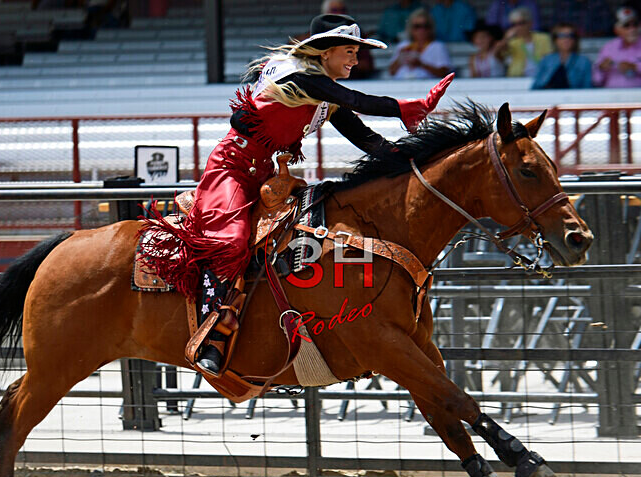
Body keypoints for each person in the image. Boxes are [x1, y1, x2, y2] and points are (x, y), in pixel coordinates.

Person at [140, 14, 454, 376]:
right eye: (348, 51)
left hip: (265, 175)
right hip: (230, 169)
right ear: (324, 52)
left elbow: (366, 138)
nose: (355, 59)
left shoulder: (324, 93)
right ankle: (214, 333)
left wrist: (414, 162)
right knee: (232, 241)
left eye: (355, 52)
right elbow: (357, 99)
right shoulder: (299, 76)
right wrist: (406, 108)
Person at [592, 7, 641, 89]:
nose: (632, 29)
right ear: (616, 30)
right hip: (613, 98)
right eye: (626, 25)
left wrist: (637, 67)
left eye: (635, 24)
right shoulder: (609, 47)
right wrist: (601, 68)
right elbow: (596, 81)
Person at [389, 9, 452, 79]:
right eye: (417, 26)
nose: (421, 30)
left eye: (425, 26)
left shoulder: (438, 46)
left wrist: (421, 64)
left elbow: (444, 74)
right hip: (401, 84)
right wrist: (400, 59)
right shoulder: (403, 45)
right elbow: (391, 71)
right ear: (411, 28)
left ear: (431, 28)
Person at [495, 7, 552, 78]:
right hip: (518, 79)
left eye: (521, 23)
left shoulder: (543, 38)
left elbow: (550, 60)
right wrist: (506, 38)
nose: (517, 27)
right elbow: (497, 54)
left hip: (541, 78)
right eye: (514, 24)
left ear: (530, 23)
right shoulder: (512, 42)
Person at [532, 23, 592, 89]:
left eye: (570, 35)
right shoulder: (546, 60)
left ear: (575, 40)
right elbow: (536, 86)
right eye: (562, 36)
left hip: (574, 98)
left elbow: (587, 88)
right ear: (555, 40)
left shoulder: (584, 62)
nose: (566, 39)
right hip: (548, 97)